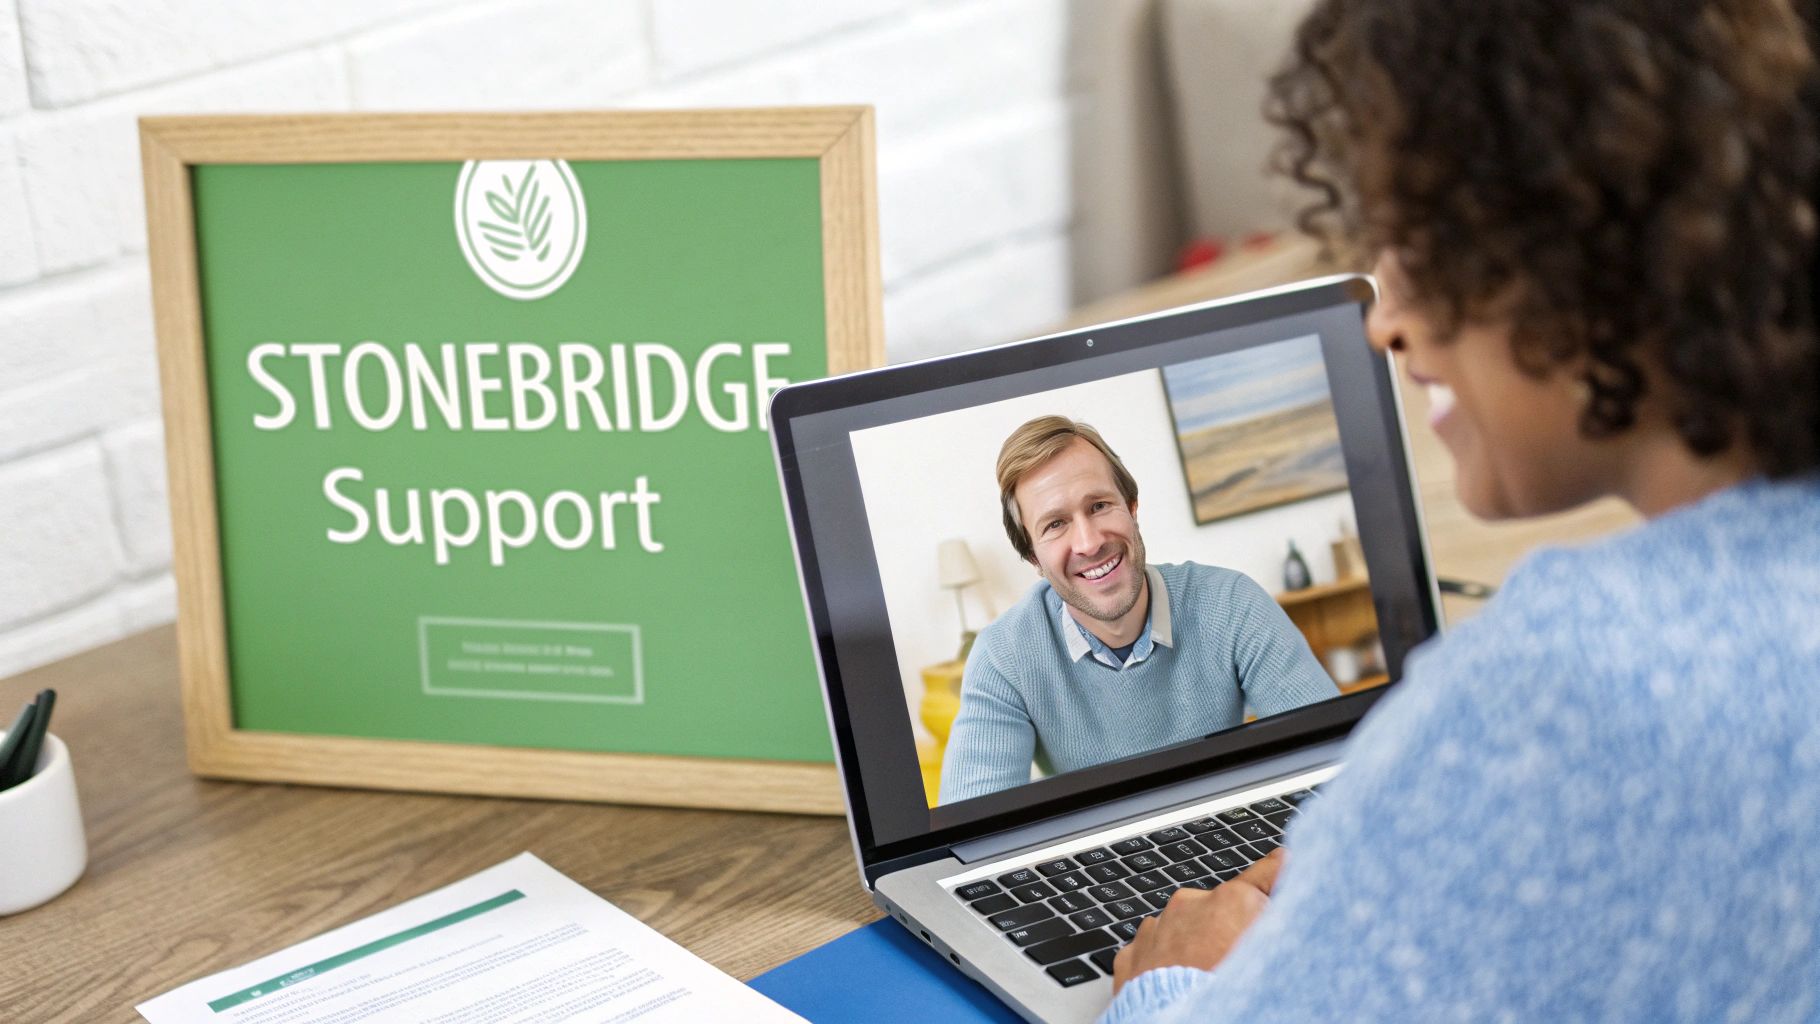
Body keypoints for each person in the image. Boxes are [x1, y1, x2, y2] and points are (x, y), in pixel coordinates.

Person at [1104, 0, 1820, 1020]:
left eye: (1418, 248)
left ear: (1587, 249)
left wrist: (1175, 978)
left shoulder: (1560, 683)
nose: (1383, 318)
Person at [938, 416, 1337, 805]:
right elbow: (973, 836)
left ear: (1132, 508)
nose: (1089, 542)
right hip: (1098, 863)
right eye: (1056, 524)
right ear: (1032, 557)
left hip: (1230, 839)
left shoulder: (1231, 603)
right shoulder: (1002, 658)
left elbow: (1333, 767)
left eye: (1098, 506)